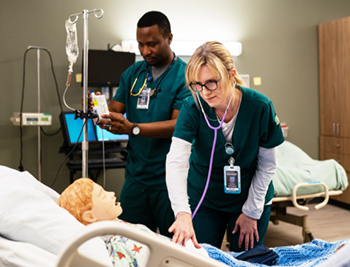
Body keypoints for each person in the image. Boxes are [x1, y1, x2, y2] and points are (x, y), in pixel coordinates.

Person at [166, 41, 285, 252]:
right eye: (197, 84)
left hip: (250, 197)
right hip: (204, 197)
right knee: (200, 260)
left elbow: (267, 165)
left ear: (232, 74)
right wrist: (182, 212)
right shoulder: (192, 107)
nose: (205, 92)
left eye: (212, 82)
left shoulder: (260, 107)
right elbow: (176, 162)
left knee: (248, 260)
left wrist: (251, 212)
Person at [89, 11, 192, 237]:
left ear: (169, 38)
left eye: (152, 44)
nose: (145, 51)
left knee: (172, 247)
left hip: (169, 181)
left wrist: (133, 128)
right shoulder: (134, 73)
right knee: (129, 242)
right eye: (140, 44)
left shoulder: (185, 76)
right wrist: (97, 110)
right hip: (136, 176)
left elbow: (179, 125)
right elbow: (115, 111)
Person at [57, 178, 209, 266]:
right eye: (103, 196)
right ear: (90, 217)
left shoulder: (120, 226)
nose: (112, 193)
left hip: (195, 251)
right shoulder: (117, 244)